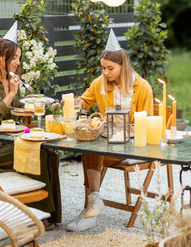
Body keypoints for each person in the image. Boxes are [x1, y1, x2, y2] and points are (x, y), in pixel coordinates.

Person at [0, 24, 62, 226]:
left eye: (18, 58)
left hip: (11, 141)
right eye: (14, 58)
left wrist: (24, 102)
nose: (17, 62)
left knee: (50, 154)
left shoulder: (11, 81)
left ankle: (50, 213)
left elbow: (14, 116)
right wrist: (12, 95)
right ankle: (37, 215)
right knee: (37, 155)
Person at [66, 30, 154, 232]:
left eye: (110, 68)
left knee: (92, 151)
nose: (106, 72)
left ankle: (91, 208)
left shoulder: (143, 87)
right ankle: (94, 201)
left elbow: (146, 122)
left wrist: (124, 128)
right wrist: (71, 103)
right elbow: (84, 102)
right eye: (103, 68)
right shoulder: (99, 84)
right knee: (89, 147)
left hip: (131, 147)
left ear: (123, 66)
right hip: (107, 144)